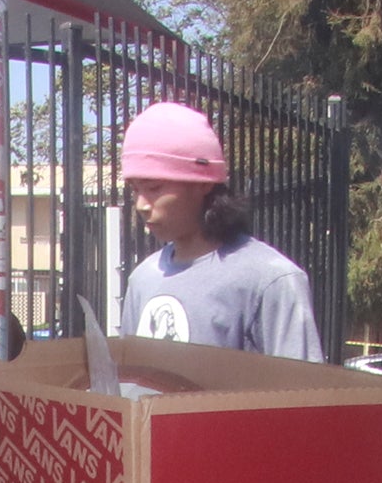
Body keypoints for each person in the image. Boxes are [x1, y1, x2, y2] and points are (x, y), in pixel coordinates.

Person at [117, 101, 323, 359]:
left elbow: (303, 394)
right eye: (135, 189)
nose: (141, 205)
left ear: (202, 184)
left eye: (154, 187)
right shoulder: (143, 278)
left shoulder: (271, 281)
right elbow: (128, 381)